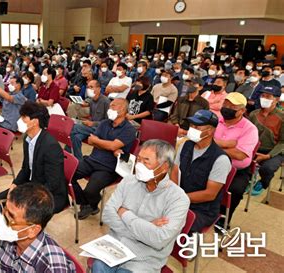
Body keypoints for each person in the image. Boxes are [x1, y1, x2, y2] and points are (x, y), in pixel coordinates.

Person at [94, 140, 190, 273]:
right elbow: (107, 214)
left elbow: (158, 239)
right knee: (98, 267)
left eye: (146, 162)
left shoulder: (178, 199)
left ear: (164, 167)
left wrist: (125, 214)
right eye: (138, 160)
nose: (139, 165)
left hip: (144, 259)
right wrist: (146, 227)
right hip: (116, 245)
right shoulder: (128, 181)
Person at [0, 101, 68, 238]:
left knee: (20, 213)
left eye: (23, 117)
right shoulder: (28, 139)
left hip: (50, 194)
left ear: (35, 122)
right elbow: (26, 168)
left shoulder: (50, 146)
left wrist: (27, 196)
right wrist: (15, 184)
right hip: (33, 185)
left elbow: (53, 183)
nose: (19, 121)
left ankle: (20, 241)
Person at [72, 98, 137, 219]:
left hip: (108, 167)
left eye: (113, 106)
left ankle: (90, 201)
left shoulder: (129, 129)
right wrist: (109, 146)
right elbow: (92, 141)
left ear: (123, 110)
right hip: (92, 159)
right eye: (110, 106)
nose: (109, 109)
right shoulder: (104, 123)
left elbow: (111, 145)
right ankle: (86, 202)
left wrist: (102, 143)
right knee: (67, 175)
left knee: (90, 190)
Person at [171, 110, 232, 233]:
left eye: (196, 127)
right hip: (179, 198)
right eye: (191, 126)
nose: (191, 129)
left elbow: (210, 194)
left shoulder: (220, 159)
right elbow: (175, 171)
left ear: (210, 131)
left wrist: (179, 199)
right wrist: (173, 194)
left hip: (202, 209)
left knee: (175, 225)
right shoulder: (186, 145)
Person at [0, 183, 76, 272]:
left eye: (11, 216)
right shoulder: (8, 236)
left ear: (32, 230)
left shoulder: (51, 266)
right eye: (5, 209)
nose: (3, 217)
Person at [214, 92, 259, 228]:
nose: (227, 108)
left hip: (236, 169)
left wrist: (215, 144)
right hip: (212, 163)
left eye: (232, 106)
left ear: (242, 111)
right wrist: (227, 144)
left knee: (236, 190)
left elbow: (239, 155)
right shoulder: (216, 120)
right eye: (225, 104)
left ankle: (224, 219)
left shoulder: (250, 129)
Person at [248, 86, 283, 195]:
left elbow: (283, 142)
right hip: (255, 148)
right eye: (262, 95)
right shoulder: (253, 114)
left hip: (274, 151)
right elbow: (248, 135)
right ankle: (249, 179)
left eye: (268, 96)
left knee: (267, 169)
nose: (264, 98)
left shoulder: (282, 117)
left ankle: (263, 182)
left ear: (276, 99)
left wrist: (268, 156)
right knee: (240, 162)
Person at [67, 80, 110, 160]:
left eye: (91, 87)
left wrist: (93, 123)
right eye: (88, 87)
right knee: (75, 137)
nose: (88, 89)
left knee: (73, 128)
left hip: (100, 129)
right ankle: (79, 161)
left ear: (99, 89)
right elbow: (87, 106)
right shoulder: (91, 100)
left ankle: (64, 152)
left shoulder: (106, 102)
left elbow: (108, 122)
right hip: (91, 128)